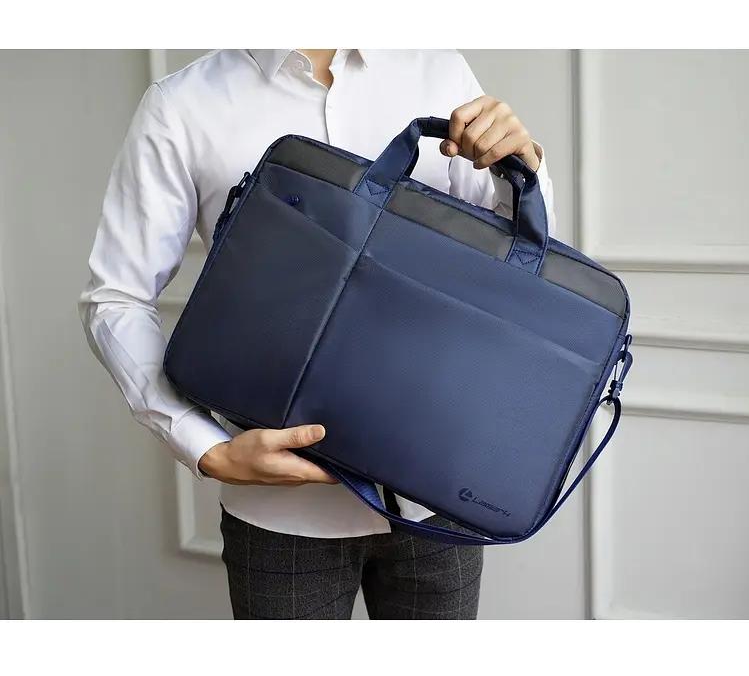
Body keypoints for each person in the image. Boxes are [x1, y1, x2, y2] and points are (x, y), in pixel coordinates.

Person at [78, 49, 555, 620]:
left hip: (438, 506)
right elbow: (117, 296)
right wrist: (205, 448)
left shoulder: (438, 70)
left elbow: (522, 269)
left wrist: (519, 168)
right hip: (282, 519)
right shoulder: (183, 105)